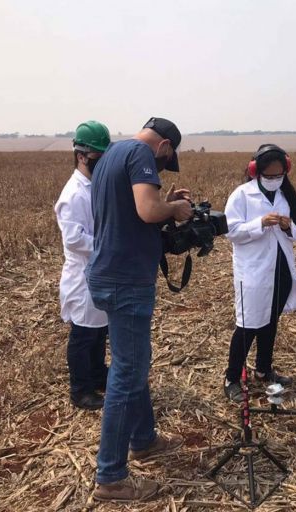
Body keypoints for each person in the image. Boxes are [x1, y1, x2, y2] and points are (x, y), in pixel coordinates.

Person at [86, 117, 193, 502]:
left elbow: (132, 210)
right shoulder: (141, 154)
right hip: (125, 279)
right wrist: (175, 209)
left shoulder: (113, 152)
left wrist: (168, 203)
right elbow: (148, 211)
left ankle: (144, 439)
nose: (164, 165)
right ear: (164, 146)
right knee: (128, 374)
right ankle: (111, 478)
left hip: (108, 273)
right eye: (167, 160)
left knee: (133, 363)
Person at [222, 144, 296, 402]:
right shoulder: (241, 195)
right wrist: (259, 223)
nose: (275, 180)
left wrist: (287, 227)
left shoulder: (286, 196)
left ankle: (263, 370)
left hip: (281, 268)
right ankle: (231, 377)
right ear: (255, 172)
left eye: (279, 176)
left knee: (270, 321)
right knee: (247, 325)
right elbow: (230, 231)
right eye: (269, 176)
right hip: (253, 271)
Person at [54, 120, 111, 410]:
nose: (100, 164)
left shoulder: (94, 186)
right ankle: (80, 390)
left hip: (99, 271)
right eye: (96, 159)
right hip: (83, 274)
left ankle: (98, 374)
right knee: (83, 335)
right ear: (80, 156)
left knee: (100, 330)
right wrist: (108, 245)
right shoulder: (74, 193)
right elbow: (75, 239)